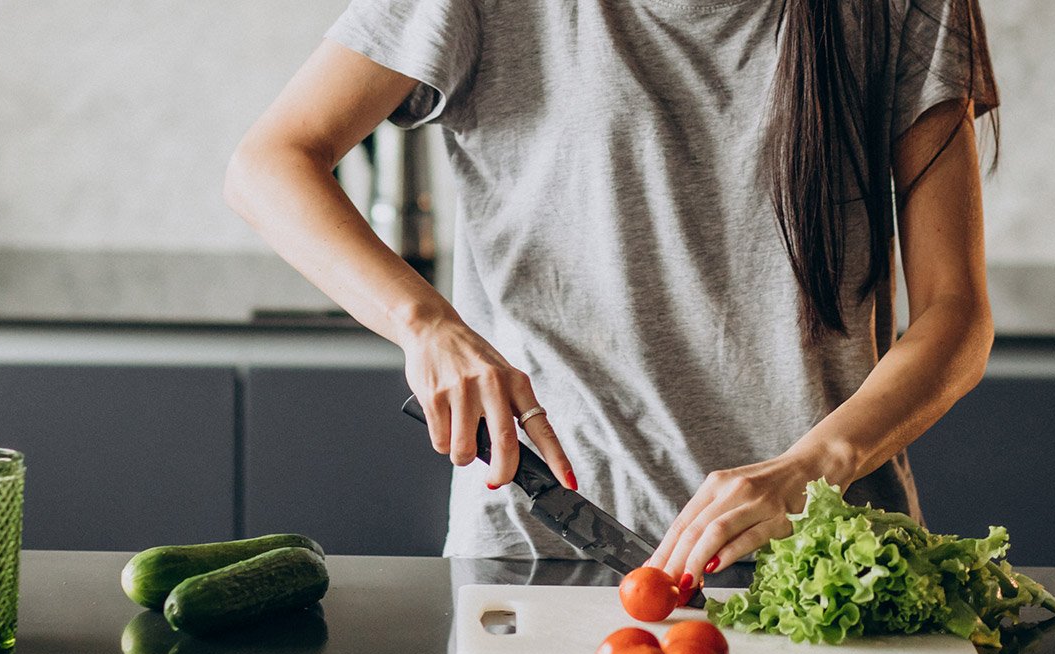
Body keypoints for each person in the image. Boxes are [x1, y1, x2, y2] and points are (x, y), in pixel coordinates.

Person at [224, 0, 1000, 588]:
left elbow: (954, 315)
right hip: (545, 559)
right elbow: (271, 162)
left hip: (820, 557)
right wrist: (423, 323)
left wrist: (811, 466)